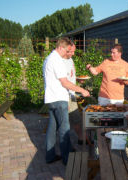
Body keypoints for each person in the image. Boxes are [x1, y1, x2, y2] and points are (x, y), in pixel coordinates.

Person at [43, 37, 90, 165]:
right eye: (67, 50)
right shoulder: (56, 60)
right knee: (65, 129)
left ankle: (50, 156)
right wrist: (82, 90)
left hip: (51, 99)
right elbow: (64, 82)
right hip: (59, 99)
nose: (68, 53)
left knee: (52, 129)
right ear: (60, 47)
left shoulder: (49, 58)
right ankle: (67, 159)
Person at [63, 43, 83, 145]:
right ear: (67, 49)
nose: (74, 53)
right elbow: (64, 82)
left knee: (76, 119)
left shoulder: (70, 60)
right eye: (72, 51)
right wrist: (82, 90)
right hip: (65, 96)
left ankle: (80, 139)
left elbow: (72, 76)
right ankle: (66, 145)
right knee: (67, 122)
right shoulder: (61, 62)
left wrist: (78, 80)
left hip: (71, 94)